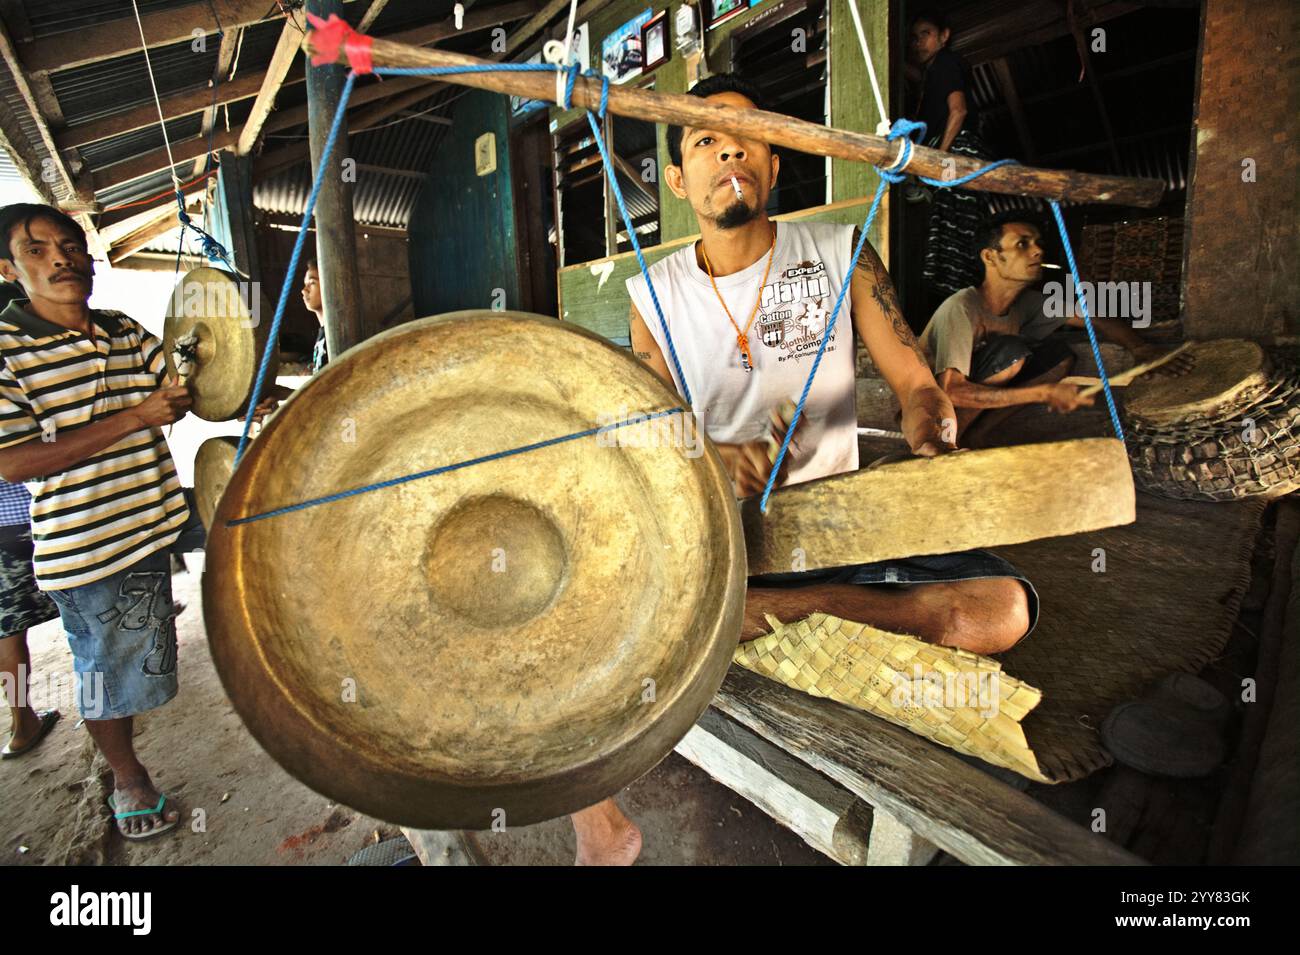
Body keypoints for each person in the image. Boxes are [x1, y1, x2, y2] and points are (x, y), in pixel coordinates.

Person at [557, 74, 1040, 866]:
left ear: (776, 160)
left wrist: (929, 420)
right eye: (703, 139)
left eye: (745, 135)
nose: (727, 151)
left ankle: (755, 619)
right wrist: (717, 465)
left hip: (843, 533)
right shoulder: (655, 296)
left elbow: (918, 384)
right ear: (678, 180)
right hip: (722, 543)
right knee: (573, 602)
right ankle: (601, 829)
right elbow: (658, 445)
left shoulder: (841, 254)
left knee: (1004, 608)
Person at [0, 203, 192, 839]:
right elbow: (15, 461)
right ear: (7, 268)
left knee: (140, 662)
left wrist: (206, 368)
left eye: (70, 245)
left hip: (149, 528)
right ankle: (127, 777)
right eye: (37, 250)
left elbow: (181, 395)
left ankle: (126, 756)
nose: (61, 258)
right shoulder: (5, 352)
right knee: (104, 677)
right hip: (85, 548)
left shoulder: (123, 330)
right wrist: (135, 417)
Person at [918, 211, 1187, 445]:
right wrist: (1044, 393)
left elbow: (1095, 318)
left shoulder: (1026, 303)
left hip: (961, 397)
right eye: (1022, 244)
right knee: (1011, 352)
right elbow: (952, 390)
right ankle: (949, 443)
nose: (1037, 251)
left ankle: (978, 435)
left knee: (1058, 357)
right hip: (924, 409)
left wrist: (1141, 349)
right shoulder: (963, 307)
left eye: (1037, 243)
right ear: (990, 257)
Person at [907, 9, 990, 307]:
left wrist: (940, 157)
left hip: (958, 153)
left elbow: (959, 110)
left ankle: (965, 306)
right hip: (953, 154)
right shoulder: (932, 73)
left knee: (956, 234)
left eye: (925, 34)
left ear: (944, 36)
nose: (918, 43)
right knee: (951, 234)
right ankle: (959, 305)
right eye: (914, 38)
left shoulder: (946, 62)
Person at [0, 478, 61, 758]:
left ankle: (23, 724)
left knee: (7, 634)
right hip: (38, 520)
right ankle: (106, 711)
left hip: (5, 536)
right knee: (83, 613)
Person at [303, 259, 329, 373]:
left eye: (312, 283)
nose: (304, 291)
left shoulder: (336, 336)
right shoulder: (323, 333)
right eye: (305, 284)